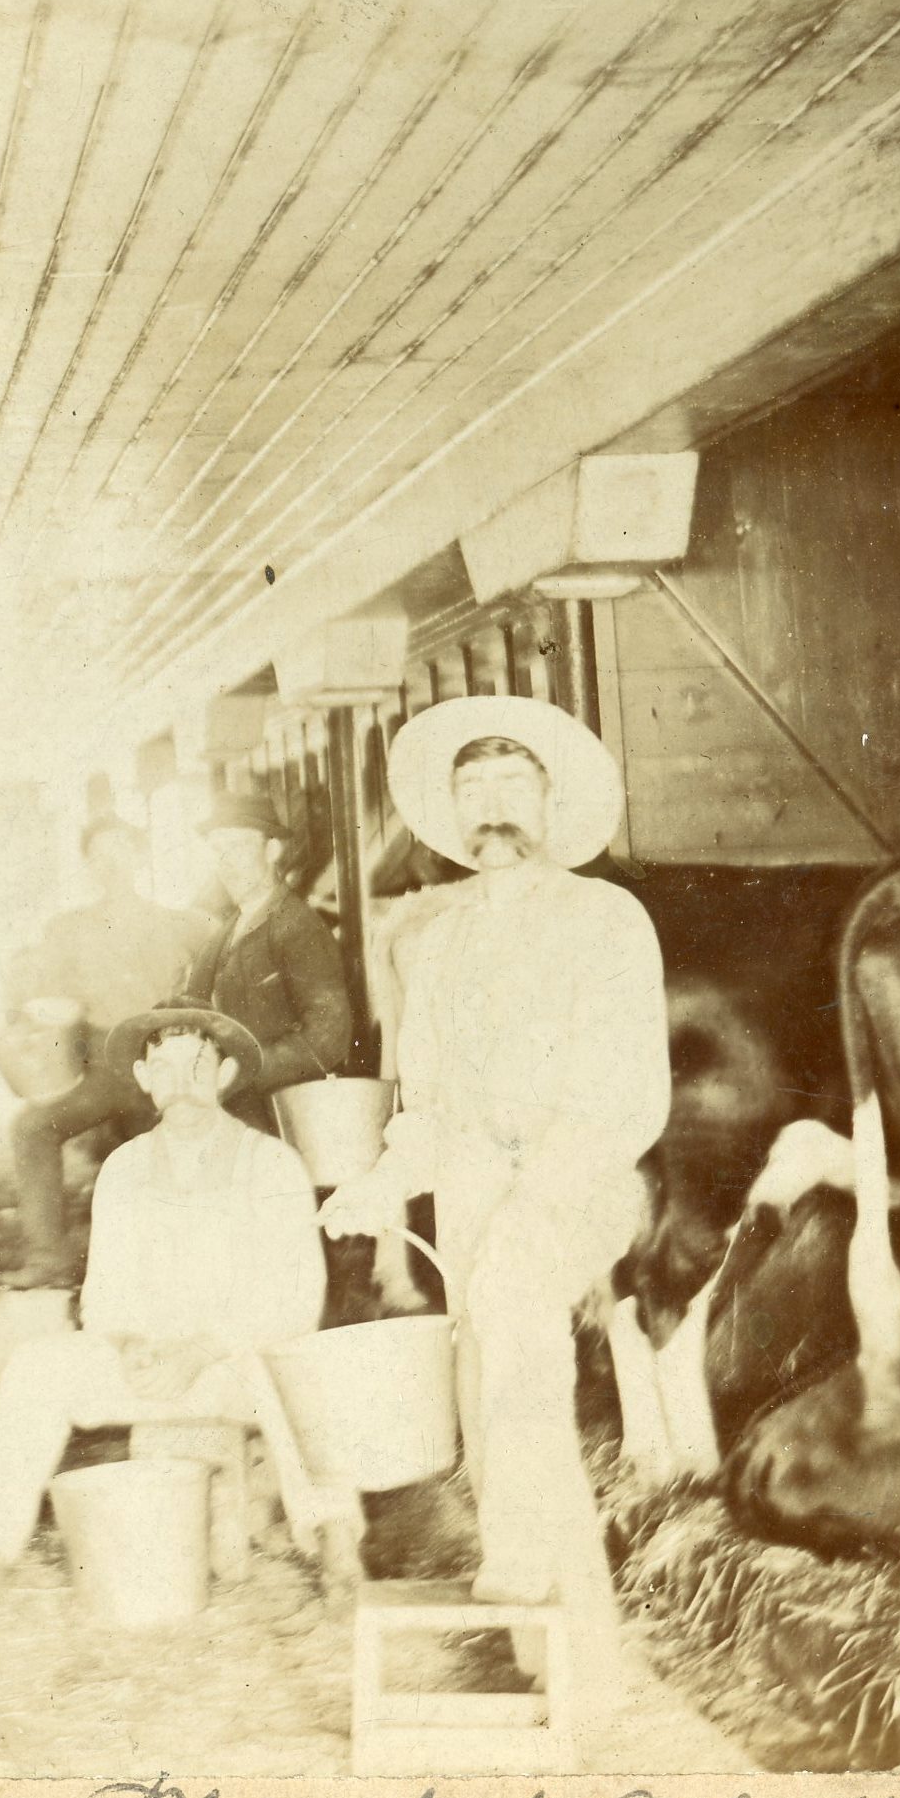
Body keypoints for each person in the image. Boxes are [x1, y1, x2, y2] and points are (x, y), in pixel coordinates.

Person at [320, 696, 668, 1713]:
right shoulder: (433, 938)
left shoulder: (606, 920)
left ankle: (518, 1561)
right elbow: (422, 1105)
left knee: (516, 1314)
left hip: (581, 1174)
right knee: (494, 1395)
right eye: (472, 790)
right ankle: (562, 1669)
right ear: (451, 814)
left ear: (552, 803)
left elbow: (624, 1099)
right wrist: (382, 1184)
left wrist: (535, 1200)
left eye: (513, 785)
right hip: (469, 1182)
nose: (492, 808)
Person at [0, 1007, 323, 1568]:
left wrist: (202, 1350)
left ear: (225, 1075)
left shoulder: (272, 1165)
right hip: (149, 1365)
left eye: (198, 1066)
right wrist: (130, 1345)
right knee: (38, 1366)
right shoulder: (124, 1168)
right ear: (142, 1079)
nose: (181, 1084)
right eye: (162, 1068)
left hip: (241, 1367)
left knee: (302, 1377)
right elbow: (104, 1297)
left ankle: (323, 1540)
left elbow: (297, 1303)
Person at [0, 820, 215, 1289]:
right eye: (98, 856)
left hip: (163, 1071)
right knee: (31, 1127)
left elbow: (216, 996)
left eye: (119, 851)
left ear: (140, 855)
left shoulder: (183, 926)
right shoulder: (67, 930)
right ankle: (46, 1261)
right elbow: (37, 1000)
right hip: (99, 1073)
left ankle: (186, 1263)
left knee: (171, 1152)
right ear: (88, 867)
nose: (110, 865)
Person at [176, 794, 353, 1134]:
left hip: (279, 1115)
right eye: (218, 849)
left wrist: (237, 1070)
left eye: (239, 846)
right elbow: (195, 1005)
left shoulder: (297, 926)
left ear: (272, 850)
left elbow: (328, 1039)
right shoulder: (228, 929)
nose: (227, 861)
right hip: (232, 1106)